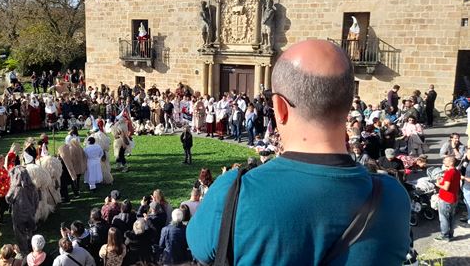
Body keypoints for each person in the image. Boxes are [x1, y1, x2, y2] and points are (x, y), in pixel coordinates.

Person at [187, 40, 410, 265]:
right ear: (347, 104)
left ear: (280, 108)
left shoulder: (232, 194)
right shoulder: (392, 199)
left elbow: (201, 249)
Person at [6, 166, 40, 256]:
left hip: (18, 215)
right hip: (30, 214)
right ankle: (32, 246)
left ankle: (24, 251)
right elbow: (37, 200)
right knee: (29, 230)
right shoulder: (32, 187)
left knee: (20, 233)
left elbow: (8, 198)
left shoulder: (15, 189)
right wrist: (33, 210)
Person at [435, 156, 461, 242]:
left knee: (444, 218)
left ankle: (445, 235)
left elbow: (446, 187)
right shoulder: (456, 171)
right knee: (451, 217)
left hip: (446, 199)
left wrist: (438, 184)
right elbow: (453, 184)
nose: (443, 161)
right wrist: (442, 180)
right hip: (454, 198)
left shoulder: (449, 172)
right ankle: (450, 234)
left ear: (451, 163)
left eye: (445, 160)